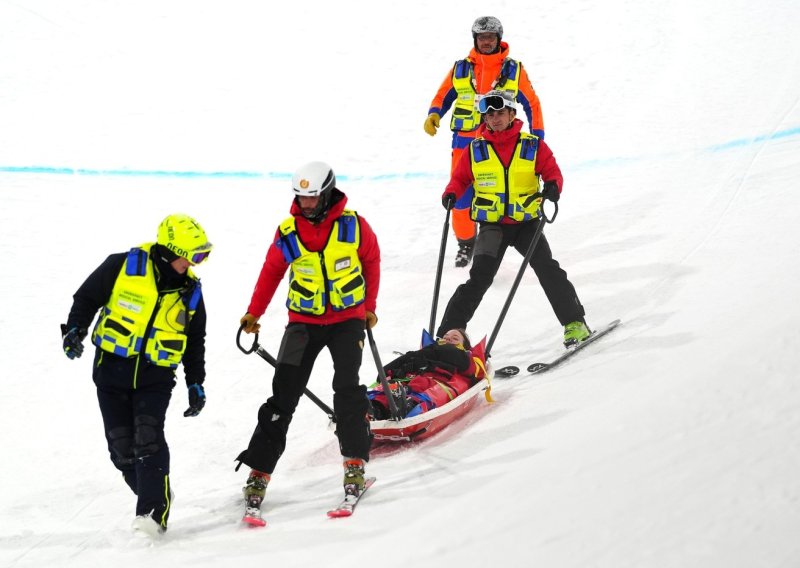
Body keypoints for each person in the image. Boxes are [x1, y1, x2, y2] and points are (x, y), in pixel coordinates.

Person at [236, 161, 381, 515]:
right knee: (283, 396)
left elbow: (372, 261)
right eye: (301, 198)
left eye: (312, 198)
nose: (306, 204)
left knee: (347, 391)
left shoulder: (354, 226)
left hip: (347, 321)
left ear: (328, 193)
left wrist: (369, 307)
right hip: (303, 323)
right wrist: (254, 313)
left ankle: (355, 465)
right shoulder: (288, 232)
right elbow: (271, 271)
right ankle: (259, 471)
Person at [60, 213, 212, 538]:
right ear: (170, 252)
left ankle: (152, 512)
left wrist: (195, 381)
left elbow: (194, 341)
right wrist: (75, 330)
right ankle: (155, 492)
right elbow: (86, 299)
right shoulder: (121, 266)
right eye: (190, 256)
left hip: (155, 378)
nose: (193, 264)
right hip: (111, 373)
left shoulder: (190, 292)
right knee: (121, 449)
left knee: (148, 437)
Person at [437, 89, 591, 347]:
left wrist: (553, 185)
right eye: (489, 114)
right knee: (479, 278)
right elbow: (461, 178)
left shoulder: (532, 145)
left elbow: (552, 170)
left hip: (526, 224)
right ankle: (447, 335)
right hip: (492, 226)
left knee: (547, 269)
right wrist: (451, 193)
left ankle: (575, 323)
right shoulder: (476, 149)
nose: (494, 118)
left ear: (511, 114)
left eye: (499, 113)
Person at [424, 16, 545, 268]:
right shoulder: (461, 69)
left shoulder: (514, 70)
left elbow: (532, 103)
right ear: (475, 39)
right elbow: (443, 94)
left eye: (491, 37)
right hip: (464, 145)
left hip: (502, 143)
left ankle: (497, 245)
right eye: (482, 37)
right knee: (460, 198)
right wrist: (434, 113)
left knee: (499, 194)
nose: (486, 42)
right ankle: (466, 242)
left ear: (498, 39)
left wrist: (538, 138)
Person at [369, 328, 485, 419]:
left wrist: (423, 355)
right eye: (445, 337)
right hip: (414, 379)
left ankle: (411, 406)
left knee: (425, 386)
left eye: (455, 338)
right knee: (392, 385)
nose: (448, 339)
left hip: (438, 382)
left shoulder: (465, 357)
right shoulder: (431, 352)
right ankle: (375, 407)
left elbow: (456, 357)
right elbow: (411, 360)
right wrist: (392, 371)